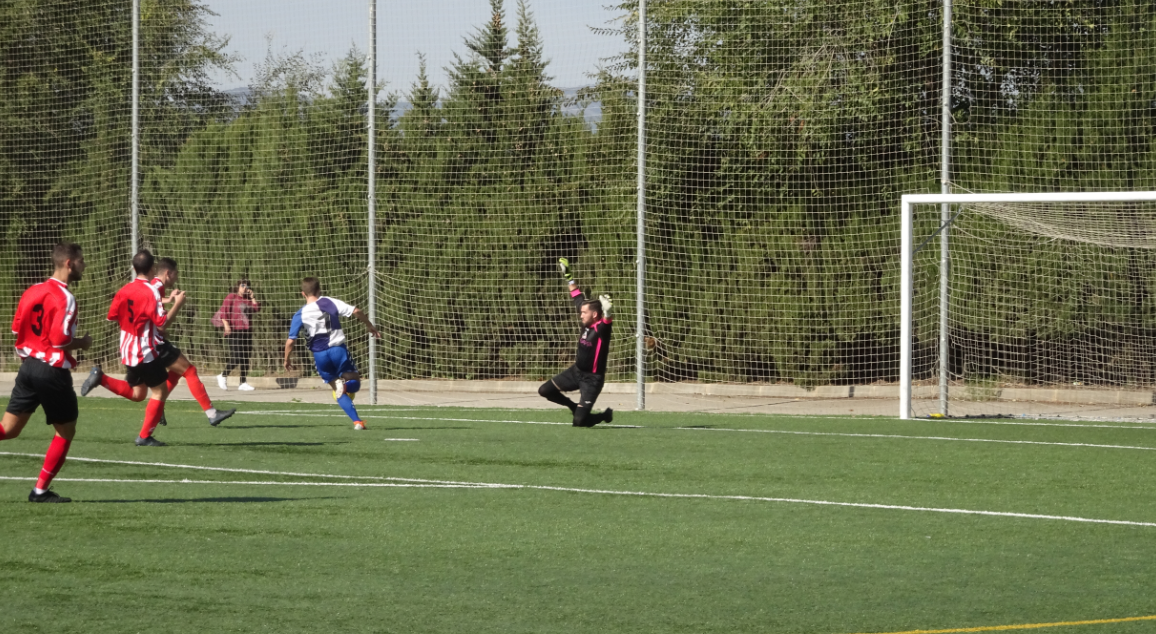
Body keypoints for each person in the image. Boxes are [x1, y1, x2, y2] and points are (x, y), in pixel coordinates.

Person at [80, 257, 235, 432]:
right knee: (189, 371)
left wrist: (167, 300)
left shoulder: (149, 287)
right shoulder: (154, 287)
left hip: (135, 345)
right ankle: (211, 413)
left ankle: (108, 382)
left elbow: (145, 306)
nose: (176, 279)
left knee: (140, 392)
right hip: (150, 344)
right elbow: (155, 314)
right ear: (167, 273)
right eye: (175, 274)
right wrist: (175, 305)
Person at [1, 243, 92, 502]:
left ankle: (41, 491)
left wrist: (30, 354)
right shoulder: (65, 297)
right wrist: (82, 343)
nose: (84, 266)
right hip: (51, 371)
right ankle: (40, 491)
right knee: (66, 431)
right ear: (69, 263)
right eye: (81, 261)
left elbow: (16, 329)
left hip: (28, 367)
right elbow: (59, 340)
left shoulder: (32, 290)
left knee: (8, 429)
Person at [283, 277, 381, 430]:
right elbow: (356, 311)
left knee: (337, 388)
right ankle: (347, 387)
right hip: (338, 350)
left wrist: (286, 360)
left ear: (303, 294)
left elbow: (290, 341)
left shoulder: (300, 314)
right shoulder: (328, 302)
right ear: (319, 290)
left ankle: (357, 422)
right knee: (354, 383)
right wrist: (369, 325)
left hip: (319, 356)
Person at [537, 258, 614, 427]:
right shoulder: (586, 319)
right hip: (576, 372)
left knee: (579, 422)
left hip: (592, 380)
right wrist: (568, 276)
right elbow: (576, 295)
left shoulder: (601, 329)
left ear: (594, 315)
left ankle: (604, 415)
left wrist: (608, 311)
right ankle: (573, 406)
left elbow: (607, 321)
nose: (581, 315)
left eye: (584, 313)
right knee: (544, 390)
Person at [215, 279, 260, 391]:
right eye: (243, 285)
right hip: (234, 331)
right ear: (238, 286)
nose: (245, 288)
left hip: (246, 331)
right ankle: (223, 375)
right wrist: (226, 325)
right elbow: (224, 311)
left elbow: (256, 309)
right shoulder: (232, 297)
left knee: (245, 357)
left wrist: (253, 297)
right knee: (237, 356)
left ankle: (243, 382)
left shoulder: (248, 300)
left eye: (247, 286)